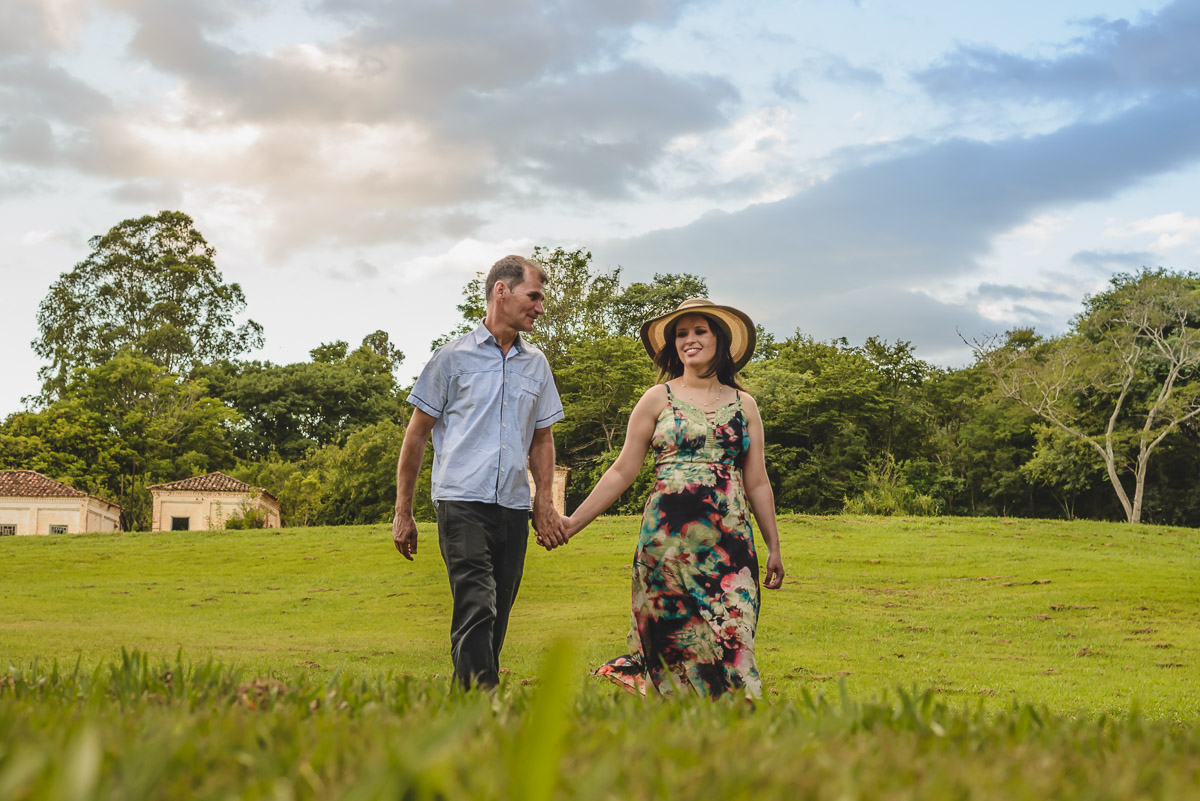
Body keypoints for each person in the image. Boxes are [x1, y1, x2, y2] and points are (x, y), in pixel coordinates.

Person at [563, 298, 785, 699]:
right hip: (664, 547)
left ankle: (737, 725)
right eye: (682, 334)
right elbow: (621, 471)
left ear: (719, 339)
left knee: (733, 638)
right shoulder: (656, 399)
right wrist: (572, 523)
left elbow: (758, 483)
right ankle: (675, 731)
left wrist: (774, 546)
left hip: (729, 547)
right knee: (671, 645)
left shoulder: (744, 404)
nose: (690, 340)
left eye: (700, 331)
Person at [392, 255, 568, 690]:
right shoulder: (450, 360)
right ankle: (481, 701)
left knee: (498, 612)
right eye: (534, 296)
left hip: (511, 505)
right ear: (501, 292)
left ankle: (467, 696)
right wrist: (404, 511)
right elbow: (415, 437)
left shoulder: (537, 365)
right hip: (461, 501)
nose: (540, 308)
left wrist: (543, 501)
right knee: (478, 603)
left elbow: (542, 439)